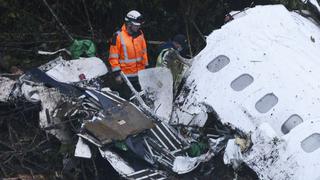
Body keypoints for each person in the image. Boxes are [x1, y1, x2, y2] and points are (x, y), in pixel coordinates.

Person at [108, 10, 148, 99]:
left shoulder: (140, 34)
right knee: (126, 100)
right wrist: (117, 74)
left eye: (139, 25)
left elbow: (144, 52)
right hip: (126, 77)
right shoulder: (118, 36)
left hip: (140, 75)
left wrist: (146, 67)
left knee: (141, 99)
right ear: (129, 24)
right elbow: (113, 57)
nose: (138, 27)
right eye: (136, 25)